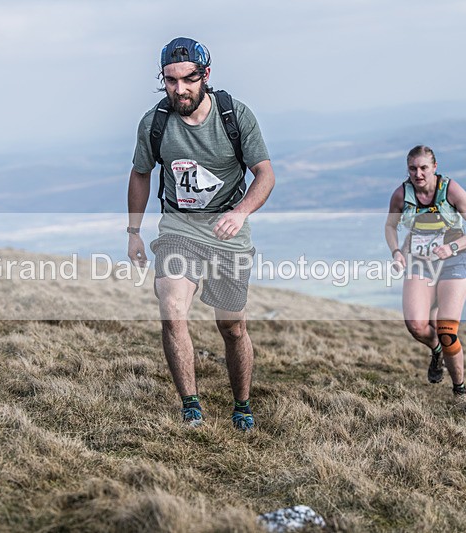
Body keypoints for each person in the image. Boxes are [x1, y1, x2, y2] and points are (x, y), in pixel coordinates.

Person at [127, 37, 275, 431]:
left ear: (205, 75)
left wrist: (240, 213)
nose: (179, 90)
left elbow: (265, 174)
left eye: (188, 80)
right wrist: (134, 232)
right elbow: (141, 173)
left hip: (227, 232)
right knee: (172, 310)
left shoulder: (234, 115)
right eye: (170, 81)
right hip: (179, 228)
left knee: (231, 326)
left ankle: (241, 404)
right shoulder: (154, 122)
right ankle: (190, 405)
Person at [385, 145, 466, 396]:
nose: (418, 174)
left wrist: (452, 246)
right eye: (413, 168)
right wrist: (396, 252)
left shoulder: (450, 190)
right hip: (420, 262)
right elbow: (390, 225)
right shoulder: (401, 194)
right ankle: (436, 351)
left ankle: (459, 390)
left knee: (446, 329)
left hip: (454, 261)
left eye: (423, 168)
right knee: (416, 325)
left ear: (434, 167)